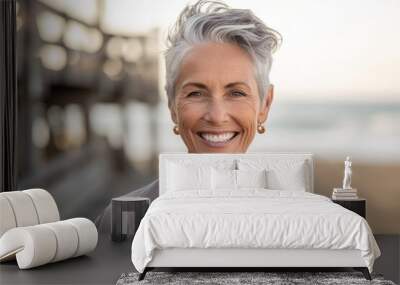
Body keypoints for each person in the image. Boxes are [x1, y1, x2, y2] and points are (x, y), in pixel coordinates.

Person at [96, 0, 281, 232]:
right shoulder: (122, 220)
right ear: (173, 105)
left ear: (265, 104)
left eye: (236, 93)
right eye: (196, 93)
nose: (216, 116)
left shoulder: (296, 222)